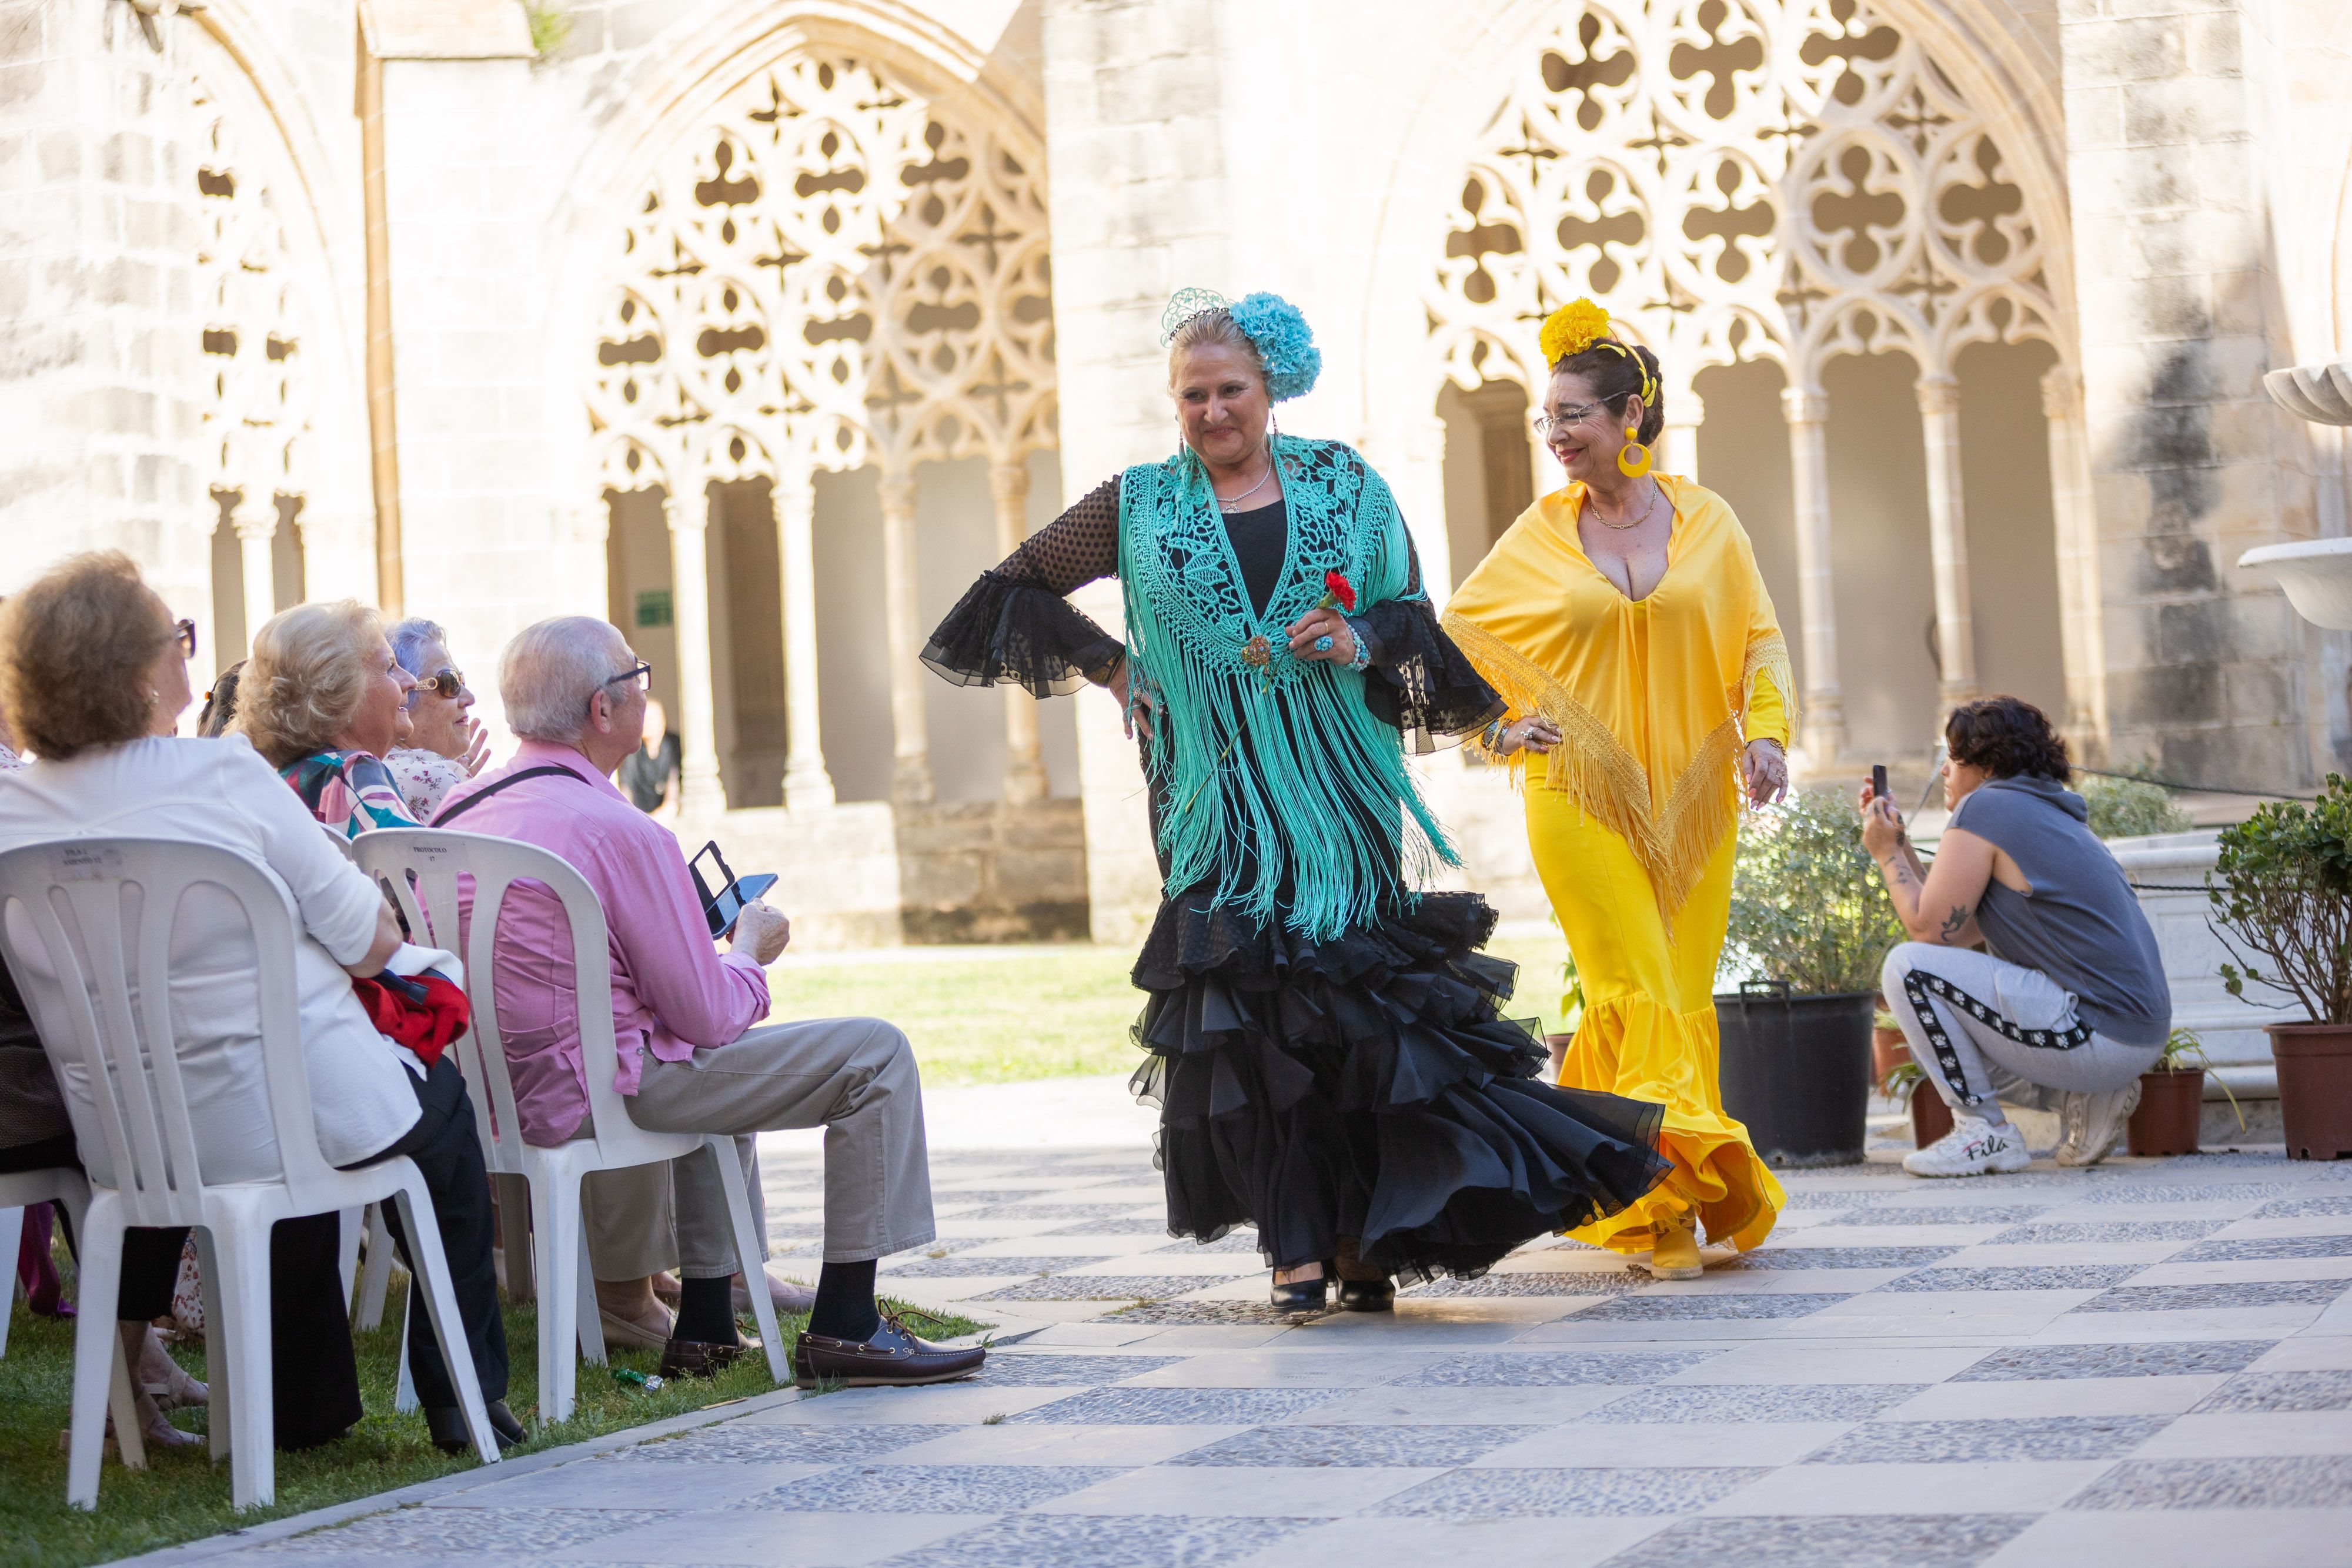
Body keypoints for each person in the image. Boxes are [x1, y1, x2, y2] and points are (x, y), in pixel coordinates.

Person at [923, 289, 1669, 1311]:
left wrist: (1360, 642)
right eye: (1192, 394)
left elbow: (1410, 615)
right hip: (1214, 806)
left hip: (1338, 801)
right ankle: (1297, 1246)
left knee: (1357, 1027)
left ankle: (1369, 1239)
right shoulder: (1135, 504)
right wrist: (1111, 664)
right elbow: (1005, 591)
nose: (1212, 410)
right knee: (1256, 1033)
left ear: (1270, 387)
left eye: (1230, 389)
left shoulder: (1345, 485)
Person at [0, 557, 516, 1453]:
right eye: (178, 638)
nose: (188, 658)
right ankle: (461, 1395)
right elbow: (369, 939)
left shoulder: (13, 811)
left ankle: (305, 1408)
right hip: (282, 1112)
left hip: (125, 1136)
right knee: (434, 1116)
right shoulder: (224, 778)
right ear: (136, 669)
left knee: (305, 1095)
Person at [436, 616, 975, 1386]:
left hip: (488, 1097)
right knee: (875, 1051)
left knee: (714, 1065)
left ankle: (707, 1325)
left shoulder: (454, 815)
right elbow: (707, 1013)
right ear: (601, 709)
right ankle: (849, 1324)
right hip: (607, 1091)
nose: (646, 694)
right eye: (638, 677)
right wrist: (748, 951)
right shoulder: (621, 831)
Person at [1442, 297, 1794, 1282]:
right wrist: (1494, 728)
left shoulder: (1709, 519)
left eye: (1572, 416)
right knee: (1633, 987)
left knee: (1680, 994)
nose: (1554, 436)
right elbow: (1451, 638)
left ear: (1630, 413)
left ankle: (1644, 1191)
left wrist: (1764, 735)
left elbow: (1759, 637)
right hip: (1578, 796)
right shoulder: (1540, 534)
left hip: (1694, 799)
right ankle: (1668, 1204)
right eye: (1545, 419)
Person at [0, 671, 206, 1449]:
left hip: (21, 1069)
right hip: (16, 1088)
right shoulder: (18, 798)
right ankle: (120, 1401)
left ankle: (142, 1371)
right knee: (157, 1122)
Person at [1863, 697, 2171, 1175]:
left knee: (1905, 969)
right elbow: (1954, 931)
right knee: (1926, 976)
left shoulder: (1987, 808)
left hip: (2096, 1031)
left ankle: (1984, 1131)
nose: (1944, 771)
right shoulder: (2037, 809)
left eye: (1953, 757)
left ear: (1987, 765)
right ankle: (2087, 1096)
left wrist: (1885, 855)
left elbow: (1925, 930)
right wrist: (1899, 842)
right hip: (2131, 1036)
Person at [235, 601, 422, 838]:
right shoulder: (351, 773)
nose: (411, 681)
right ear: (338, 693)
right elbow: (423, 867)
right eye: (389, 668)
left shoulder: (281, 782)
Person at [385, 617, 489, 823]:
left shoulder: (373, 766)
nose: (469, 699)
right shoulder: (430, 777)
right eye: (450, 683)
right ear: (403, 694)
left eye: (462, 681)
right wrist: (450, 783)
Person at [616, 696, 680, 817]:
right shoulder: (632, 748)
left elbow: (674, 783)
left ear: (663, 720)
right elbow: (626, 787)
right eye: (643, 717)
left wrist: (667, 810)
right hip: (639, 814)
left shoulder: (673, 745)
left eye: (652, 718)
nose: (647, 723)